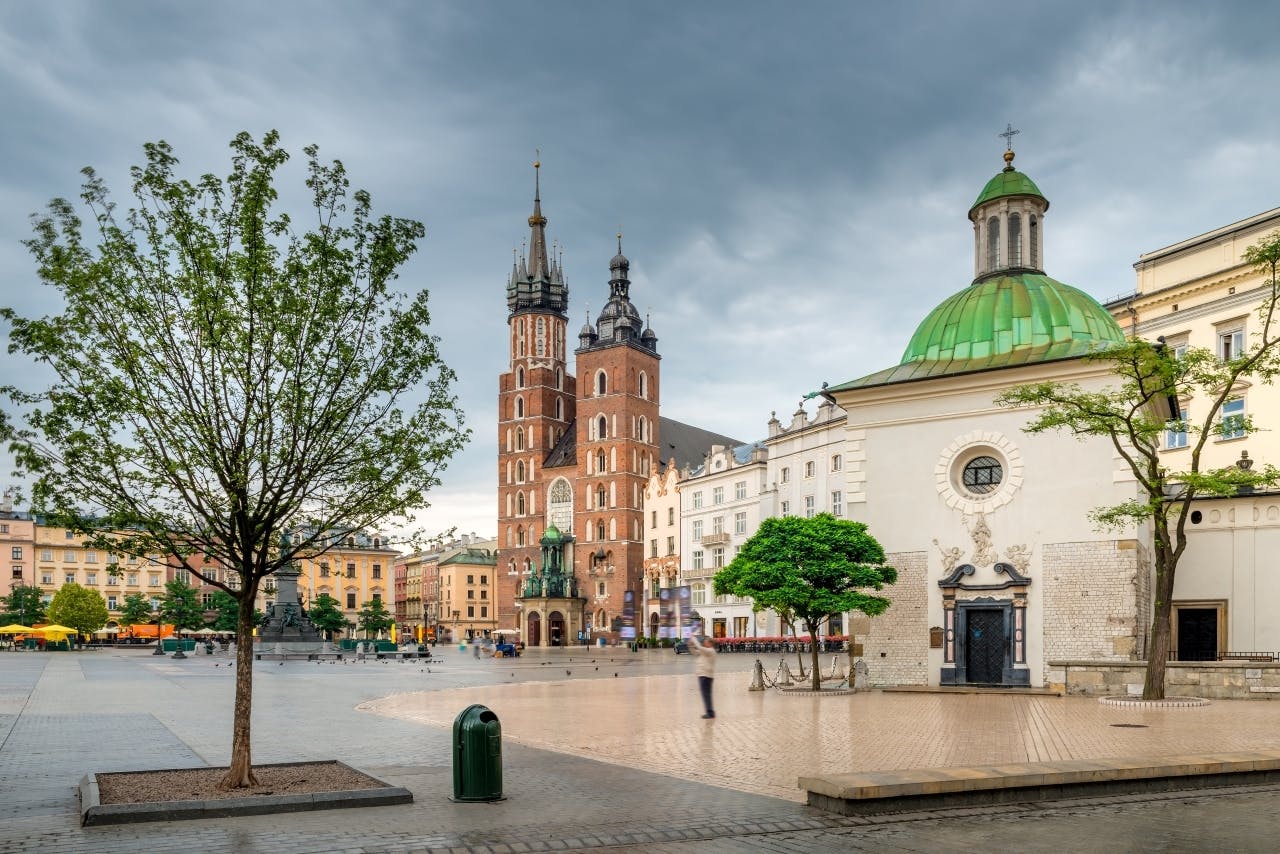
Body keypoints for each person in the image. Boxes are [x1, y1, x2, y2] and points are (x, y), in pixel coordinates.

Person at [687, 630, 717, 719]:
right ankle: (710, 712)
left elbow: (699, 648)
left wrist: (693, 638)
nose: (704, 642)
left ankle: (710, 713)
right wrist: (690, 645)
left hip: (706, 676)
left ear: (710, 644)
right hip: (702, 675)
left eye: (706, 641)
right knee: (706, 694)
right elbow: (695, 653)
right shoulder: (706, 651)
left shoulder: (710, 651)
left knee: (706, 694)